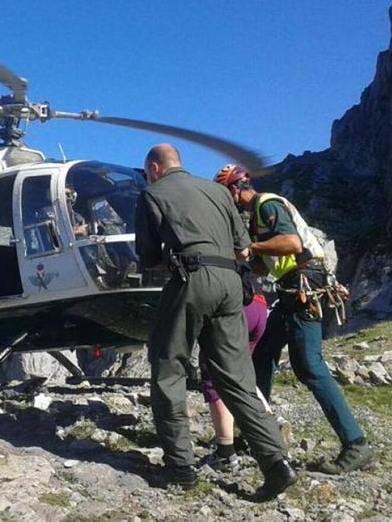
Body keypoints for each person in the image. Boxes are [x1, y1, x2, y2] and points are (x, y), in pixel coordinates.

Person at [135, 143, 296, 497]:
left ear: (154, 168)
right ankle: (275, 462)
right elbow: (242, 245)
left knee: (168, 367)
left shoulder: (152, 193)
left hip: (191, 279)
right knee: (237, 377)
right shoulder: (219, 193)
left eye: (148, 171)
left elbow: (146, 257)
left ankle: (180, 467)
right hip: (231, 285)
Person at [214, 164, 373, 474]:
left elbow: (292, 244)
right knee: (261, 358)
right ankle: (259, 433)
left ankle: (356, 443)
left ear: (234, 190)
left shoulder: (266, 204)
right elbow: (264, 265)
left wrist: (250, 247)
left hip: (304, 286)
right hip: (290, 290)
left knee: (309, 366)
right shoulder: (257, 220)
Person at [199, 293, 269, 473]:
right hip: (259, 305)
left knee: (215, 376)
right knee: (240, 373)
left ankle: (225, 453)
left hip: (235, 307)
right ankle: (270, 443)